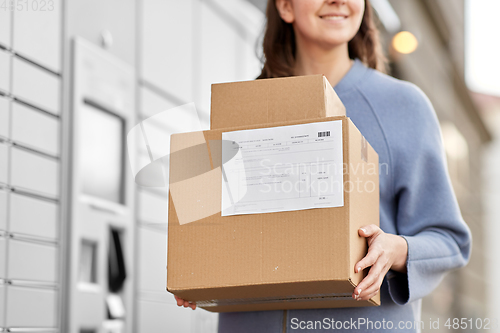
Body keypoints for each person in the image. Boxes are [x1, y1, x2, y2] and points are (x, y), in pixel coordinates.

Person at [174, 0, 472, 332]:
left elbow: (449, 240)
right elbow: (205, 228)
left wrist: (396, 249)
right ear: (286, 7)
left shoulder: (404, 106)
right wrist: (195, 269)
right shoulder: (245, 108)